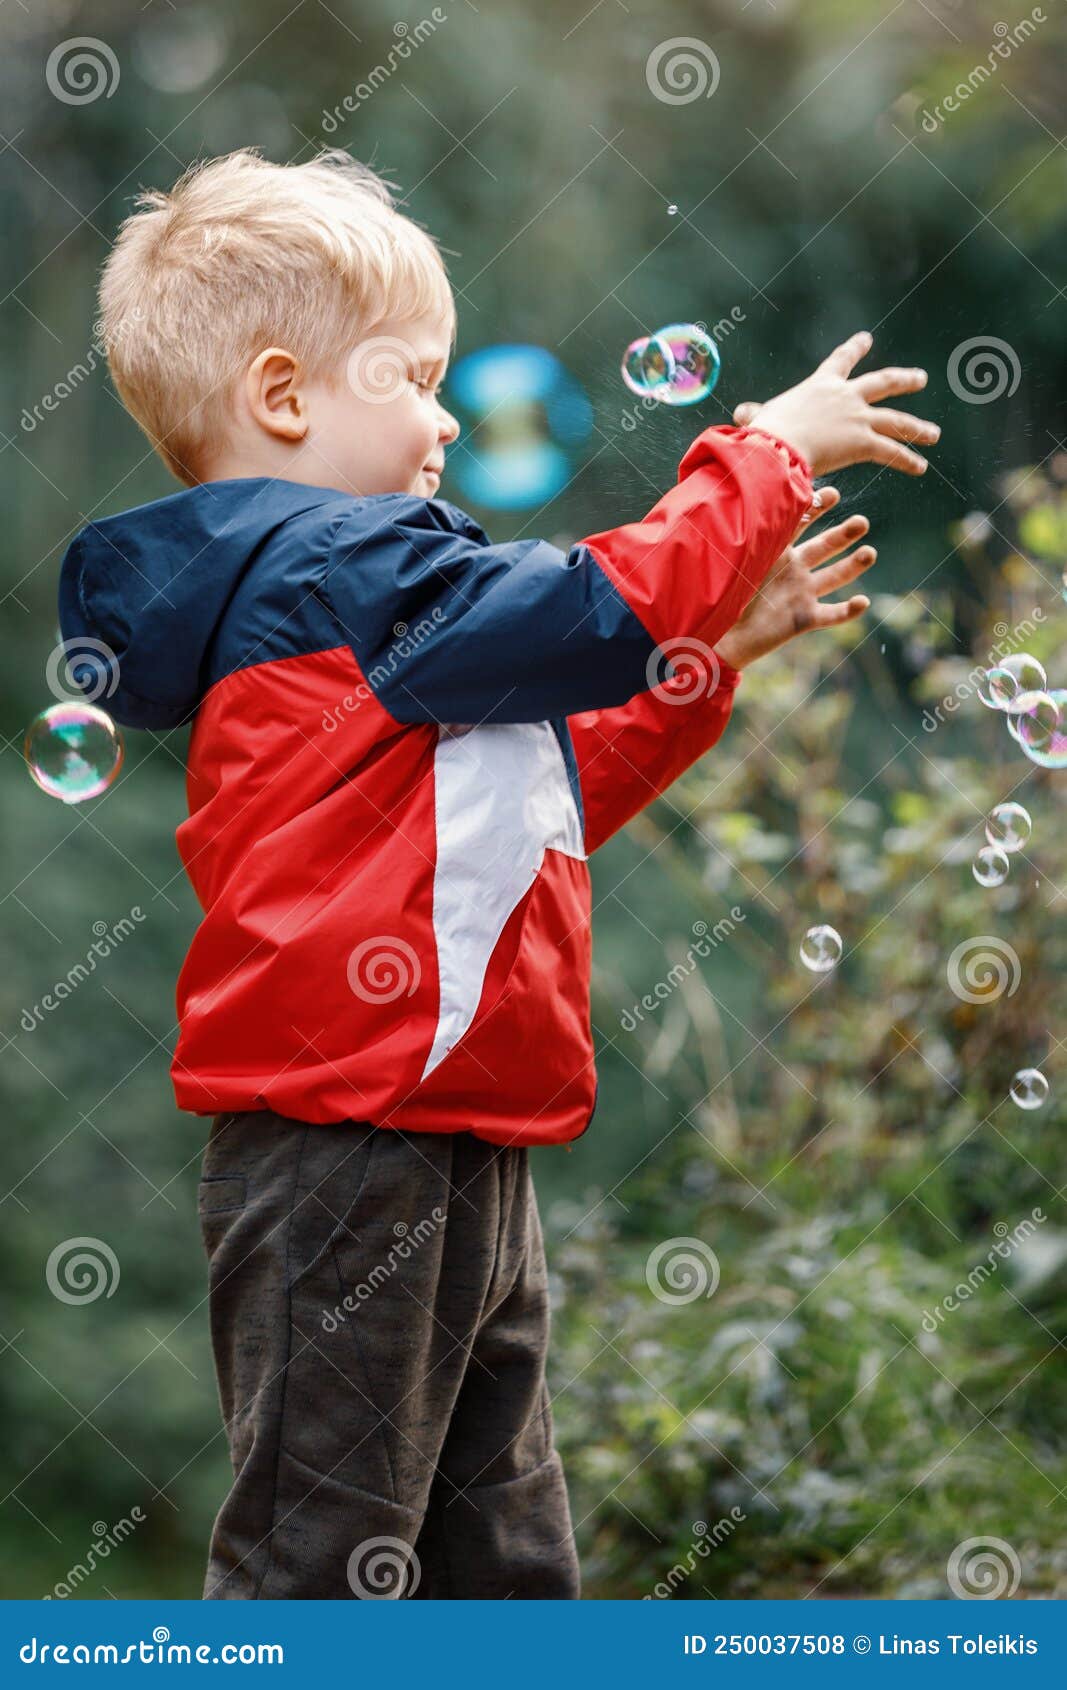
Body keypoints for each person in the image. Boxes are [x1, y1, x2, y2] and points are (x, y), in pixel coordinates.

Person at [57, 149, 939, 1600]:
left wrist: (707, 653)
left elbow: (543, 800)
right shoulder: (340, 573)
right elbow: (599, 604)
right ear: (285, 397)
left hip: (451, 1129)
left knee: (504, 1560)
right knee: (319, 1560)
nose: (448, 415)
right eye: (414, 376)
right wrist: (766, 451)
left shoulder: (370, 613)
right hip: (348, 1142)